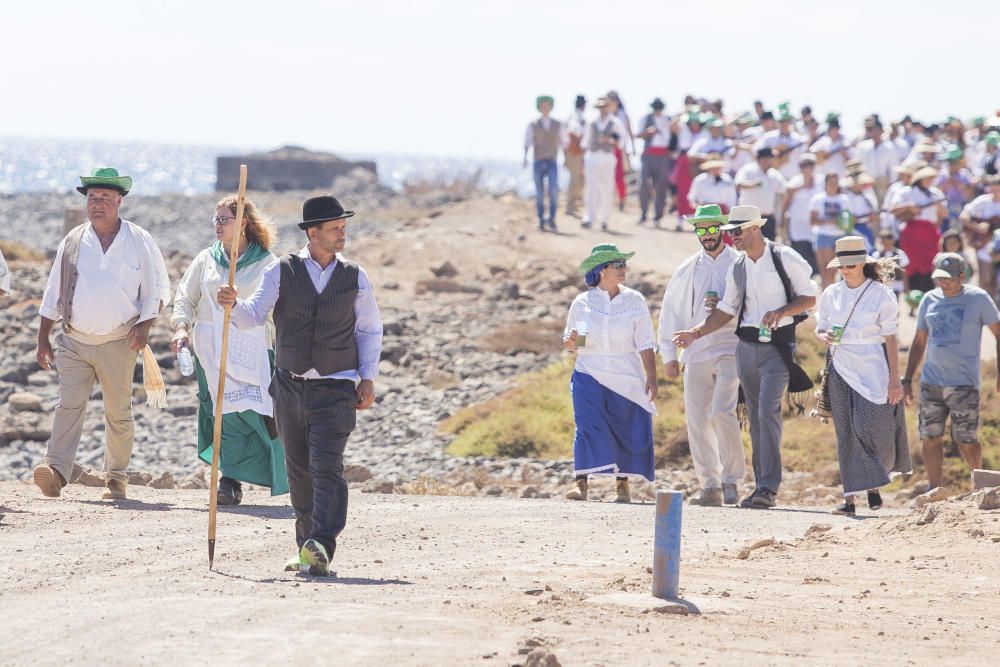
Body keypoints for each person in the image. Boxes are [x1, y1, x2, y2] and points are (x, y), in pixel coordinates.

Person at [217, 194, 383, 576]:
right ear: (313, 232)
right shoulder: (281, 270)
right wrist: (231, 304)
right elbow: (253, 316)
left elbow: (369, 330)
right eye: (335, 228)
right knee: (299, 470)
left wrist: (368, 377)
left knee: (327, 465)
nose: (342, 234)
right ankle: (305, 546)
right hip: (289, 386)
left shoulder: (355, 276)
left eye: (343, 228)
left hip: (337, 387)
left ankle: (323, 541)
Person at [32, 168, 170, 500]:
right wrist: (42, 339)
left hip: (120, 341)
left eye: (105, 198)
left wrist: (145, 326)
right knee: (68, 406)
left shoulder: (139, 240)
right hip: (74, 340)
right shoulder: (74, 239)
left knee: (118, 410)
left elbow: (157, 289)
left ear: (119, 201)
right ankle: (56, 471)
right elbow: (54, 291)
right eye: (93, 198)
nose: (97, 204)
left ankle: (116, 477)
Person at [673, 205, 817, 509]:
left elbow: (810, 297)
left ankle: (767, 487)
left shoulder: (783, 256)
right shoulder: (738, 267)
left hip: (778, 346)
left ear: (754, 228)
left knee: (767, 413)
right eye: (730, 231)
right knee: (755, 419)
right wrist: (695, 333)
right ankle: (760, 488)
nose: (731, 236)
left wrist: (782, 312)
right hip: (746, 346)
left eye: (736, 231)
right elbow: (726, 310)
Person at [170, 195, 288, 505]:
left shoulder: (267, 263)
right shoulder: (206, 260)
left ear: (244, 224)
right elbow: (185, 296)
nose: (218, 225)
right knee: (221, 412)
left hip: (253, 352)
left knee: (252, 413)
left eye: (225, 219)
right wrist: (181, 326)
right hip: (210, 351)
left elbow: (277, 311)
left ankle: (270, 474)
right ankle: (229, 480)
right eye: (216, 220)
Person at [816, 237, 910, 516]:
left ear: (863, 263)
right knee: (845, 432)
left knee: (870, 427)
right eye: (842, 264)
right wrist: (824, 336)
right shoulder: (831, 292)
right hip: (840, 365)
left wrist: (896, 379)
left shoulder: (881, 294)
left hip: (873, 365)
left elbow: (890, 339)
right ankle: (850, 499)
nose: (846, 269)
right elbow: (819, 327)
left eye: (851, 264)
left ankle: (874, 484)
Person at [658, 205, 744, 506]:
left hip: (731, 347)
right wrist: (668, 354)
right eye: (701, 230)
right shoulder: (688, 268)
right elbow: (671, 310)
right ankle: (710, 485)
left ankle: (732, 479)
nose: (707, 235)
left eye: (712, 229)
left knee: (722, 411)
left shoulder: (739, 263)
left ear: (722, 230)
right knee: (696, 419)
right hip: (695, 351)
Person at [563, 243, 657, 504]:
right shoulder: (582, 303)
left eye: (624, 264)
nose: (623, 269)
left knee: (623, 429)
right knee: (587, 427)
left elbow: (646, 342)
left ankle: (622, 486)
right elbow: (573, 344)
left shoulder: (635, 300)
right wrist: (571, 342)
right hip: (588, 371)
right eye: (618, 265)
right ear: (602, 270)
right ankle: (580, 484)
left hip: (625, 373)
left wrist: (652, 376)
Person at [902, 252, 1000, 497]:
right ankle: (934, 489)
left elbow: (998, 333)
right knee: (930, 436)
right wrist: (907, 379)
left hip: (964, 383)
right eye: (939, 278)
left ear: (962, 276)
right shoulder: (929, 299)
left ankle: (979, 486)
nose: (943, 283)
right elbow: (919, 341)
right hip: (931, 382)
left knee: (967, 438)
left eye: (948, 279)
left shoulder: (978, 299)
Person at [896, 166, 947, 292]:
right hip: (911, 234)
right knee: (911, 264)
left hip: (930, 234)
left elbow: (944, 214)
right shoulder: (906, 192)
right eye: (927, 178)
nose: (929, 180)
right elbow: (894, 210)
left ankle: (929, 292)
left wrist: (938, 207)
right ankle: (913, 295)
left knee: (930, 264)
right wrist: (909, 207)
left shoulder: (936, 193)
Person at [582, 97, 627, 231]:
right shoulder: (592, 122)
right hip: (593, 156)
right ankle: (589, 217)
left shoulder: (615, 123)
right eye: (601, 107)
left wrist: (611, 140)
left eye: (605, 107)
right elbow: (586, 142)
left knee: (607, 189)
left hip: (608, 157)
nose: (603, 110)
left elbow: (622, 142)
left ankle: (605, 219)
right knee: (591, 189)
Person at [523, 95, 561, 231]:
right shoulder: (533, 124)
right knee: (539, 192)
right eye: (543, 105)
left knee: (553, 191)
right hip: (538, 161)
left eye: (547, 105)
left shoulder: (558, 124)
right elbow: (527, 141)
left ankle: (551, 219)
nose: (545, 108)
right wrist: (525, 157)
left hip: (552, 161)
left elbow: (564, 142)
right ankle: (541, 219)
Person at [781, 153, 823, 276]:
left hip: (816, 225)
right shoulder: (794, 181)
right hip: (798, 226)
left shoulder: (821, 180)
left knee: (816, 255)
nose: (807, 169)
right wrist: (782, 221)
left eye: (809, 165)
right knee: (801, 254)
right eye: (804, 166)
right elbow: (786, 200)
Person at [809, 173, 852, 288]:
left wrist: (841, 223)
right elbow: (812, 221)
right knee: (825, 270)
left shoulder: (844, 199)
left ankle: (832, 295)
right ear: (826, 183)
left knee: (836, 270)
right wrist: (828, 221)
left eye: (835, 182)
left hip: (840, 236)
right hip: (824, 235)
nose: (833, 185)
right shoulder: (818, 199)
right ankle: (825, 296)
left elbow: (849, 220)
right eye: (830, 182)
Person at [960, 173, 1000, 292]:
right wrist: (977, 227)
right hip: (985, 246)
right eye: (994, 189)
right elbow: (964, 216)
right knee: (985, 280)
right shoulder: (983, 201)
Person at [735, 148, 786, 241]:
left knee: (769, 246)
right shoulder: (748, 170)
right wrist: (753, 184)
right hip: (749, 218)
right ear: (760, 159)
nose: (770, 161)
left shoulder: (774, 174)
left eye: (771, 158)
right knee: (748, 244)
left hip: (767, 217)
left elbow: (784, 189)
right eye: (767, 158)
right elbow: (739, 184)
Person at [636, 98, 672, 225]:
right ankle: (643, 213)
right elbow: (639, 135)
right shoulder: (645, 119)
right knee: (644, 184)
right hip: (648, 155)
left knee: (661, 186)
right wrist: (648, 132)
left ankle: (658, 216)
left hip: (663, 156)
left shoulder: (668, 120)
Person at [606, 91, 634, 212]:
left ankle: (622, 199)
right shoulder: (606, 115)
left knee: (619, 177)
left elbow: (629, 131)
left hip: (620, 149)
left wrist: (633, 147)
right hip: (606, 149)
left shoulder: (623, 115)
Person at [842, 172, 879, 253]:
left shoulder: (867, 197)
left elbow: (874, 214)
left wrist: (871, 217)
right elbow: (844, 217)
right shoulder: (846, 197)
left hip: (865, 227)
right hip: (850, 229)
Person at [564, 95, 587, 218]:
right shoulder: (575, 117)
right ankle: (570, 206)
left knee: (579, 179)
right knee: (575, 179)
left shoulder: (575, 116)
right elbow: (572, 132)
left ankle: (573, 204)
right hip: (575, 152)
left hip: (575, 152)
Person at [872, 230, 910, 301]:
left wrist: (906, 287)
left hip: (896, 286)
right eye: (885, 243)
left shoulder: (900, 254)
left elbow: (904, 271)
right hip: (882, 286)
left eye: (888, 243)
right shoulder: (876, 255)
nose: (887, 245)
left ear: (893, 241)